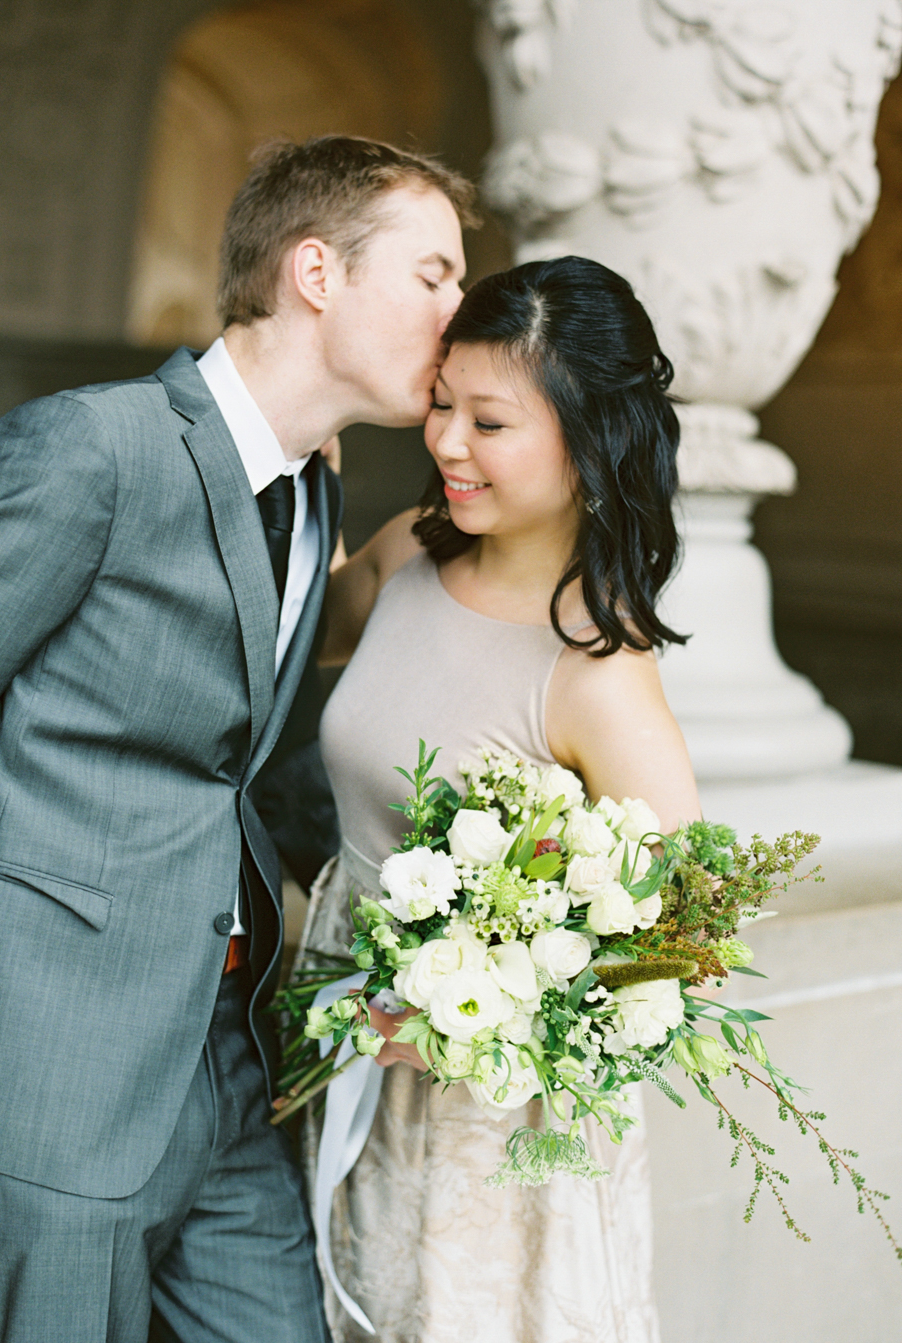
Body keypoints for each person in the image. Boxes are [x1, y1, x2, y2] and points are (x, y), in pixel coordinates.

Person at [0, 135, 474, 1343]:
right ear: (316, 271)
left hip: (220, 1065)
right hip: (38, 1071)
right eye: (434, 275)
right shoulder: (88, 447)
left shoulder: (316, 493)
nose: (457, 309)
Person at [303, 255, 701, 1343]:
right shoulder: (403, 560)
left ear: (587, 442)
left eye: (487, 420)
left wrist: (468, 1018)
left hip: (495, 1119)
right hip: (342, 1027)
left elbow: (679, 938)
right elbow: (285, 644)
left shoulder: (596, 672)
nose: (442, 443)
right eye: (440, 405)